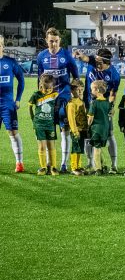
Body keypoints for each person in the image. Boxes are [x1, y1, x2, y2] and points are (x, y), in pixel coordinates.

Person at [37, 27, 80, 174]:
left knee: (64, 130)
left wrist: (75, 96)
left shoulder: (67, 55)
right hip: (47, 101)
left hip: (63, 99)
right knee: (49, 132)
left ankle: (63, 164)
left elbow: (76, 77)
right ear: (46, 41)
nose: (53, 44)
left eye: (56, 41)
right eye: (51, 41)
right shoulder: (41, 56)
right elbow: (39, 79)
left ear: (59, 40)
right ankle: (50, 164)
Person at [74, 48, 120, 174]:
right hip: (89, 105)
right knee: (88, 135)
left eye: (99, 62)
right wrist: (79, 55)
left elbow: (113, 94)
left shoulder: (114, 74)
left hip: (103, 109)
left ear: (106, 62)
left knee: (110, 134)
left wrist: (110, 108)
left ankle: (114, 165)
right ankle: (91, 163)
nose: (96, 63)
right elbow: (85, 58)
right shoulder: (93, 62)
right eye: (96, 60)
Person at [0, 35, 25, 172]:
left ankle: (19, 163)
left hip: (7, 104)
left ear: (3, 46)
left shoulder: (10, 62)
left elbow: (21, 79)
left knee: (13, 132)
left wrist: (18, 99)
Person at [29, 74, 59, 176]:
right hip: (39, 125)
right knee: (42, 147)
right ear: (41, 86)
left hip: (50, 125)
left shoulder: (54, 95)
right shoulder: (36, 95)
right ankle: (43, 167)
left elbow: (56, 107)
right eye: (46, 88)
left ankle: (53, 167)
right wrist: (34, 120)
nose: (48, 90)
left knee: (51, 146)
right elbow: (30, 107)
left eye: (50, 88)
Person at [87, 80, 112, 175]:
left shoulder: (94, 103)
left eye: (92, 89)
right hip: (105, 128)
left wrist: (88, 125)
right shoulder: (107, 102)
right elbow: (111, 113)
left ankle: (97, 168)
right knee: (101, 147)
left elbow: (91, 118)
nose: (91, 91)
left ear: (97, 90)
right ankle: (104, 165)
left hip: (96, 129)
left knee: (96, 148)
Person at [66, 79, 88, 176]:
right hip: (76, 130)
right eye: (77, 89)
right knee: (75, 148)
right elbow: (71, 119)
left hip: (83, 129)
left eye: (81, 89)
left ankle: (79, 166)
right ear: (72, 90)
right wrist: (75, 131)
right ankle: (74, 167)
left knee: (80, 149)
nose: (79, 91)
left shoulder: (81, 101)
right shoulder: (71, 104)